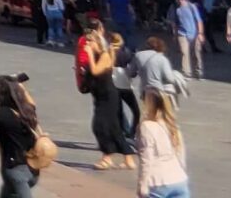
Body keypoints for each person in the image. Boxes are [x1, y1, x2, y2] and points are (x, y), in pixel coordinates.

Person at [79, 19, 133, 167]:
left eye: (90, 43)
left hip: (109, 95)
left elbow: (96, 71)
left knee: (99, 125)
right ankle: (128, 157)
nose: (88, 45)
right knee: (113, 127)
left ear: (98, 43)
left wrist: (89, 55)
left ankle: (106, 157)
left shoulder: (105, 55)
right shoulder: (97, 56)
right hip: (100, 94)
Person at [0, 74, 41, 198]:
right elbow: (32, 103)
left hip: (15, 171)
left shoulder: (5, 114)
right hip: (33, 169)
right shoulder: (28, 111)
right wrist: (19, 86)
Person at [132, 86, 187, 198]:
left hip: (158, 182)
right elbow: (181, 153)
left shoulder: (147, 126)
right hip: (179, 179)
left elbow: (147, 159)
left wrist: (142, 184)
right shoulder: (172, 124)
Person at [168, 0, 202, 78]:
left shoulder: (192, 7)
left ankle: (198, 70)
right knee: (184, 52)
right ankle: (186, 72)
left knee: (196, 53)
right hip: (182, 33)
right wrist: (174, 33)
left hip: (194, 32)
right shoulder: (177, 9)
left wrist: (200, 33)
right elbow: (174, 22)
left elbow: (199, 21)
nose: (180, 1)